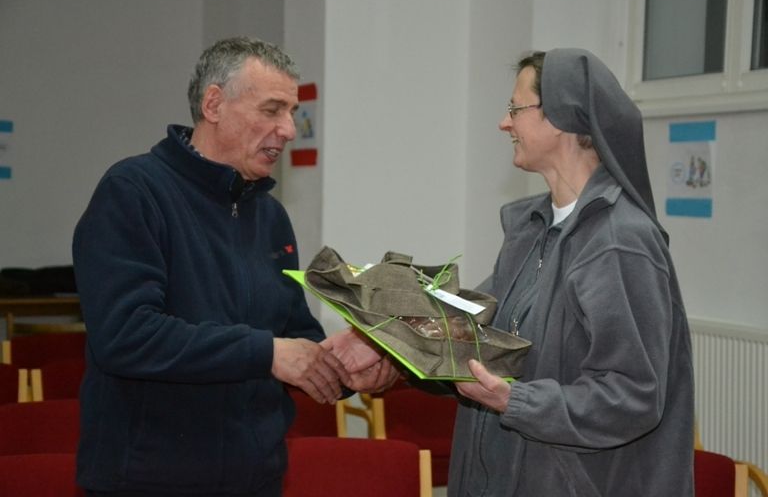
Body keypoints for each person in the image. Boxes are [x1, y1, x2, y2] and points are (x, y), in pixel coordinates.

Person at [72, 36, 396, 497]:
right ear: (214, 104)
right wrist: (268, 353)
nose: (289, 129)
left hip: (257, 477)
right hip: (149, 480)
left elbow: (292, 334)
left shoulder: (271, 216)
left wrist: (345, 366)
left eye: (292, 112)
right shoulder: (133, 191)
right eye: (272, 110)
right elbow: (126, 335)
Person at [447, 49, 695, 495]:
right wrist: (393, 332)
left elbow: (632, 395)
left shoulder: (619, 241)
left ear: (561, 116)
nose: (504, 124)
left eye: (515, 109)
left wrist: (517, 400)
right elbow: (474, 326)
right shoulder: (531, 230)